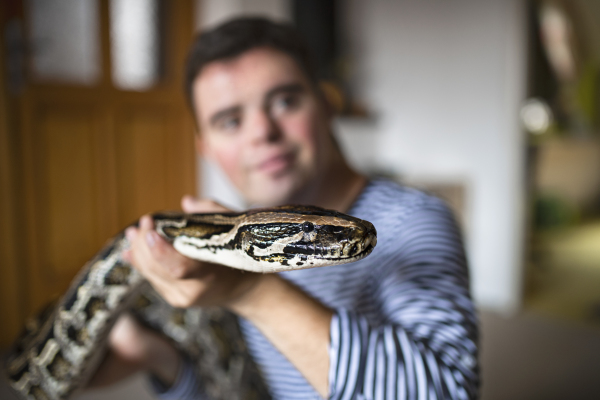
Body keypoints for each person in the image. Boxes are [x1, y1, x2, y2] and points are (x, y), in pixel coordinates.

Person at [88, 17, 479, 399]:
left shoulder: (413, 223)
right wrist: (160, 358)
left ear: (327, 105)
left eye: (285, 101)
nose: (262, 132)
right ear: (204, 147)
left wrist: (250, 291)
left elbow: (445, 392)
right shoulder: (225, 249)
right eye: (229, 121)